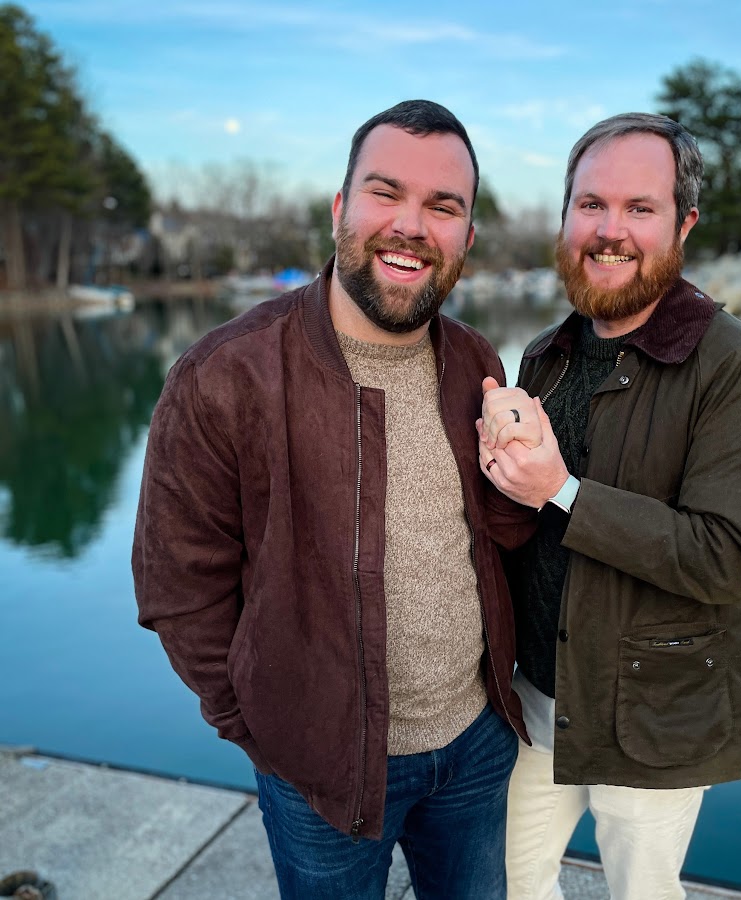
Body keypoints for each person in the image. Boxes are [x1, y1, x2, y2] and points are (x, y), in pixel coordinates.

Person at [132, 99, 534, 900]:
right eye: (386, 193)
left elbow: (498, 537)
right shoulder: (224, 375)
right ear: (341, 208)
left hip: (476, 745)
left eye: (443, 206)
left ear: (468, 237)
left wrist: (528, 482)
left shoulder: (475, 360)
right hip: (318, 772)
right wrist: (266, 732)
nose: (410, 225)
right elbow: (177, 587)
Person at [478, 112, 741, 900]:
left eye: (639, 208)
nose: (610, 230)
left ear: (683, 224)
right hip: (537, 697)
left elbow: (727, 559)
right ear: (565, 217)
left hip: (656, 715)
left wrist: (561, 490)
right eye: (591, 204)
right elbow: (522, 526)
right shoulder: (545, 354)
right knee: (507, 885)